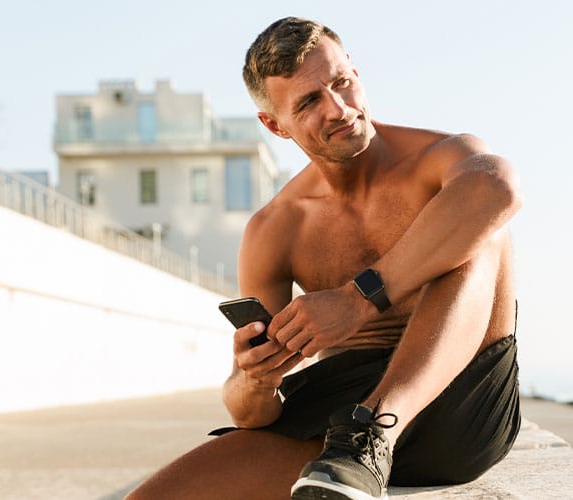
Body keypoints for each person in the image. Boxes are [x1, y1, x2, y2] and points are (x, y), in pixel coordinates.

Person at [127, 16, 522, 500]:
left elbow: (498, 187)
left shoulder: (438, 158)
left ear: (355, 70)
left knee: (476, 224)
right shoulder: (276, 229)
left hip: (461, 406)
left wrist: (358, 300)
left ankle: (376, 433)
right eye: (310, 101)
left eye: (342, 82)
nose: (339, 109)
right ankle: (360, 447)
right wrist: (258, 379)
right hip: (341, 425)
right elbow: (246, 412)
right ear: (275, 124)